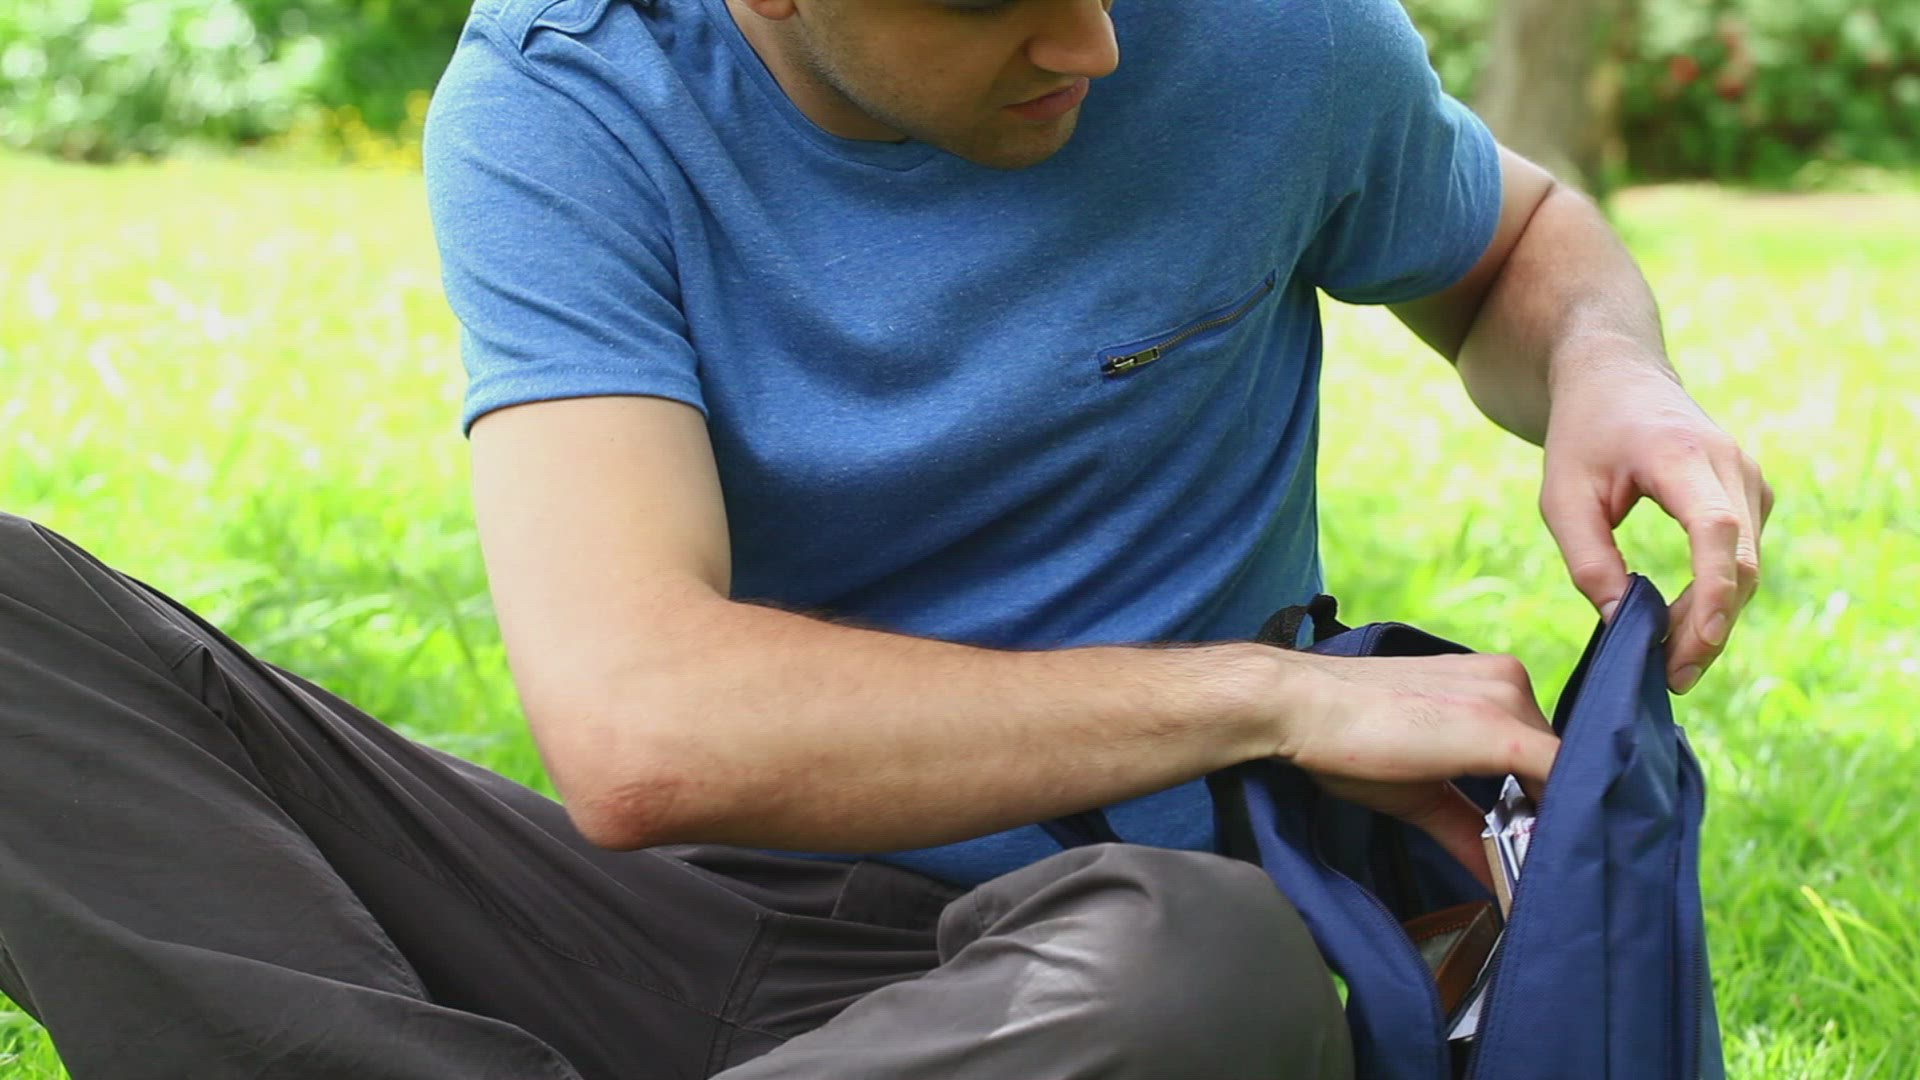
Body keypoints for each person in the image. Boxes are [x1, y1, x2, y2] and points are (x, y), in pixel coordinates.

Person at [0, 0, 1772, 1077]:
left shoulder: (1264, 35)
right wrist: (1269, 697)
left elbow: (1510, 241)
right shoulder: (571, 97)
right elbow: (642, 729)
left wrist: (1610, 366)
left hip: (1103, 971)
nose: (1090, 42)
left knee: (1198, 966)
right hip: (680, 927)